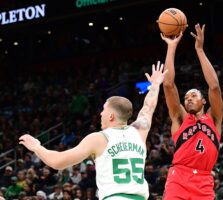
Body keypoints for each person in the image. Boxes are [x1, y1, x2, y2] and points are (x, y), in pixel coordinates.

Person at [19, 61, 167, 200]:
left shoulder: (99, 138)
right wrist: (155, 85)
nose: (101, 114)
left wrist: (37, 147)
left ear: (111, 116)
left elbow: (58, 162)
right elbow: (148, 108)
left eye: (103, 110)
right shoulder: (139, 131)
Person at [161, 23, 223, 199]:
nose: (188, 98)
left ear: (204, 101)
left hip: (204, 180)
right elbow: (168, 84)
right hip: (178, 177)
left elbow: (214, 87)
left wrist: (200, 50)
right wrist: (171, 47)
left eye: (194, 95)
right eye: (186, 97)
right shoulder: (180, 117)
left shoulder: (214, 118)